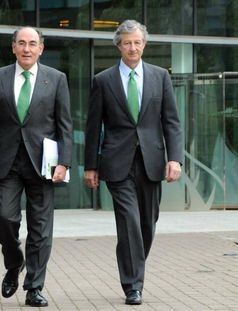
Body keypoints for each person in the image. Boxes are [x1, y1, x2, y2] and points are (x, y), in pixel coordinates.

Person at [0, 26, 72, 307]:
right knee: (5, 218)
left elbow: (65, 125)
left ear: (41, 48)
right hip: (6, 162)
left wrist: (64, 162)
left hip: (43, 165)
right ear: (13, 47)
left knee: (41, 228)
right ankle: (14, 263)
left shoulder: (56, 79)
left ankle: (34, 287)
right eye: (21, 43)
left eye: (32, 43)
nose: (27, 49)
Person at [84, 20, 183, 305]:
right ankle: (133, 285)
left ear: (144, 44)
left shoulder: (159, 76)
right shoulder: (102, 80)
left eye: (137, 42)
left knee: (147, 225)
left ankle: (134, 265)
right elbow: (93, 128)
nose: (132, 47)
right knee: (129, 221)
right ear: (118, 46)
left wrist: (174, 158)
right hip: (117, 162)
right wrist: (91, 166)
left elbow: (172, 122)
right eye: (127, 42)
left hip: (151, 161)